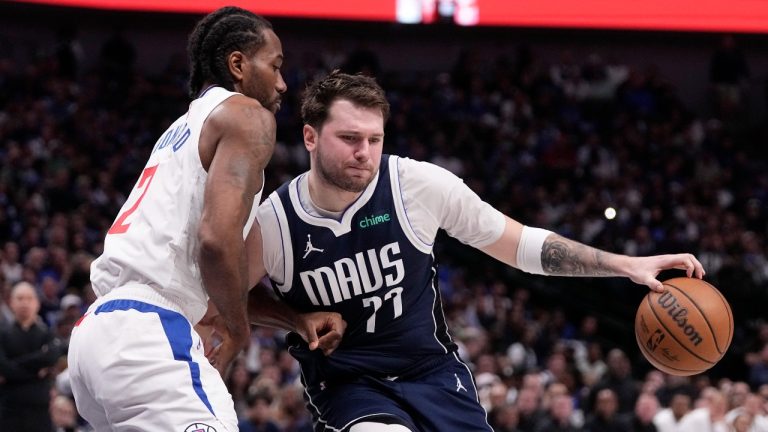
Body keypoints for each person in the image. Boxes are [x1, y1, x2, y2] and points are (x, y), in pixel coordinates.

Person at [242, 71, 705, 431]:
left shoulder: (417, 186)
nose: (365, 151)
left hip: (431, 370)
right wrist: (295, 319)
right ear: (310, 138)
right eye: (349, 139)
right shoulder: (274, 223)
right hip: (349, 381)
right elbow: (224, 296)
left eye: (375, 139)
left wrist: (624, 265)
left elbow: (520, 244)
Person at [66, 6, 288, 431]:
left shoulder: (182, 127)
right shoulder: (247, 114)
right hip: (148, 333)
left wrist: (292, 319)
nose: (281, 83)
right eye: (275, 66)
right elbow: (215, 240)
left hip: (97, 335)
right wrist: (239, 331)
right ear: (238, 64)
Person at [0, 281, 62, 431]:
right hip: (9, 410)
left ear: (37, 303)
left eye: (29, 298)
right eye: (20, 298)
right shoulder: (2, 334)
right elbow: (4, 368)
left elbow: (51, 357)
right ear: (11, 303)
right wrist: (37, 370)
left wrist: (14, 366)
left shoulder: (47, 333)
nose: (24, 303)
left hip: (40, 411)